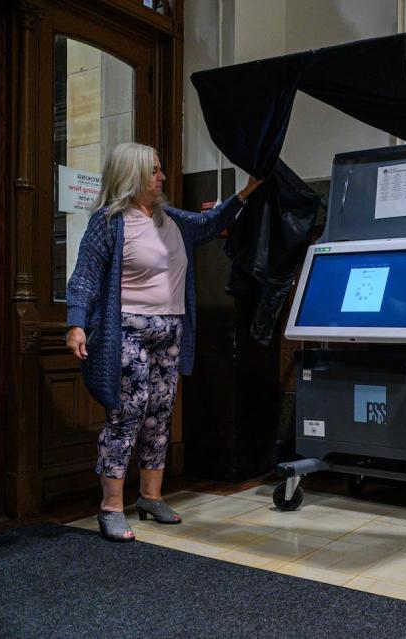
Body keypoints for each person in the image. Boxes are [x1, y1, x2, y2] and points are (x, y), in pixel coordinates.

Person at [66, 142, 262, 542]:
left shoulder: (170, 218)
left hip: (170, 331)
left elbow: (209, 224)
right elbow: (85, 276)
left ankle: (151, 498)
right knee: (128, 414)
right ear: (133, 175)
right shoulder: (109, 223)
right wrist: (77, 324)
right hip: (127, 330)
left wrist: (245, 192)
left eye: (160, 169)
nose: (162, 177)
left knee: (159, 414)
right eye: (154, 170)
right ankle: (111, 507)